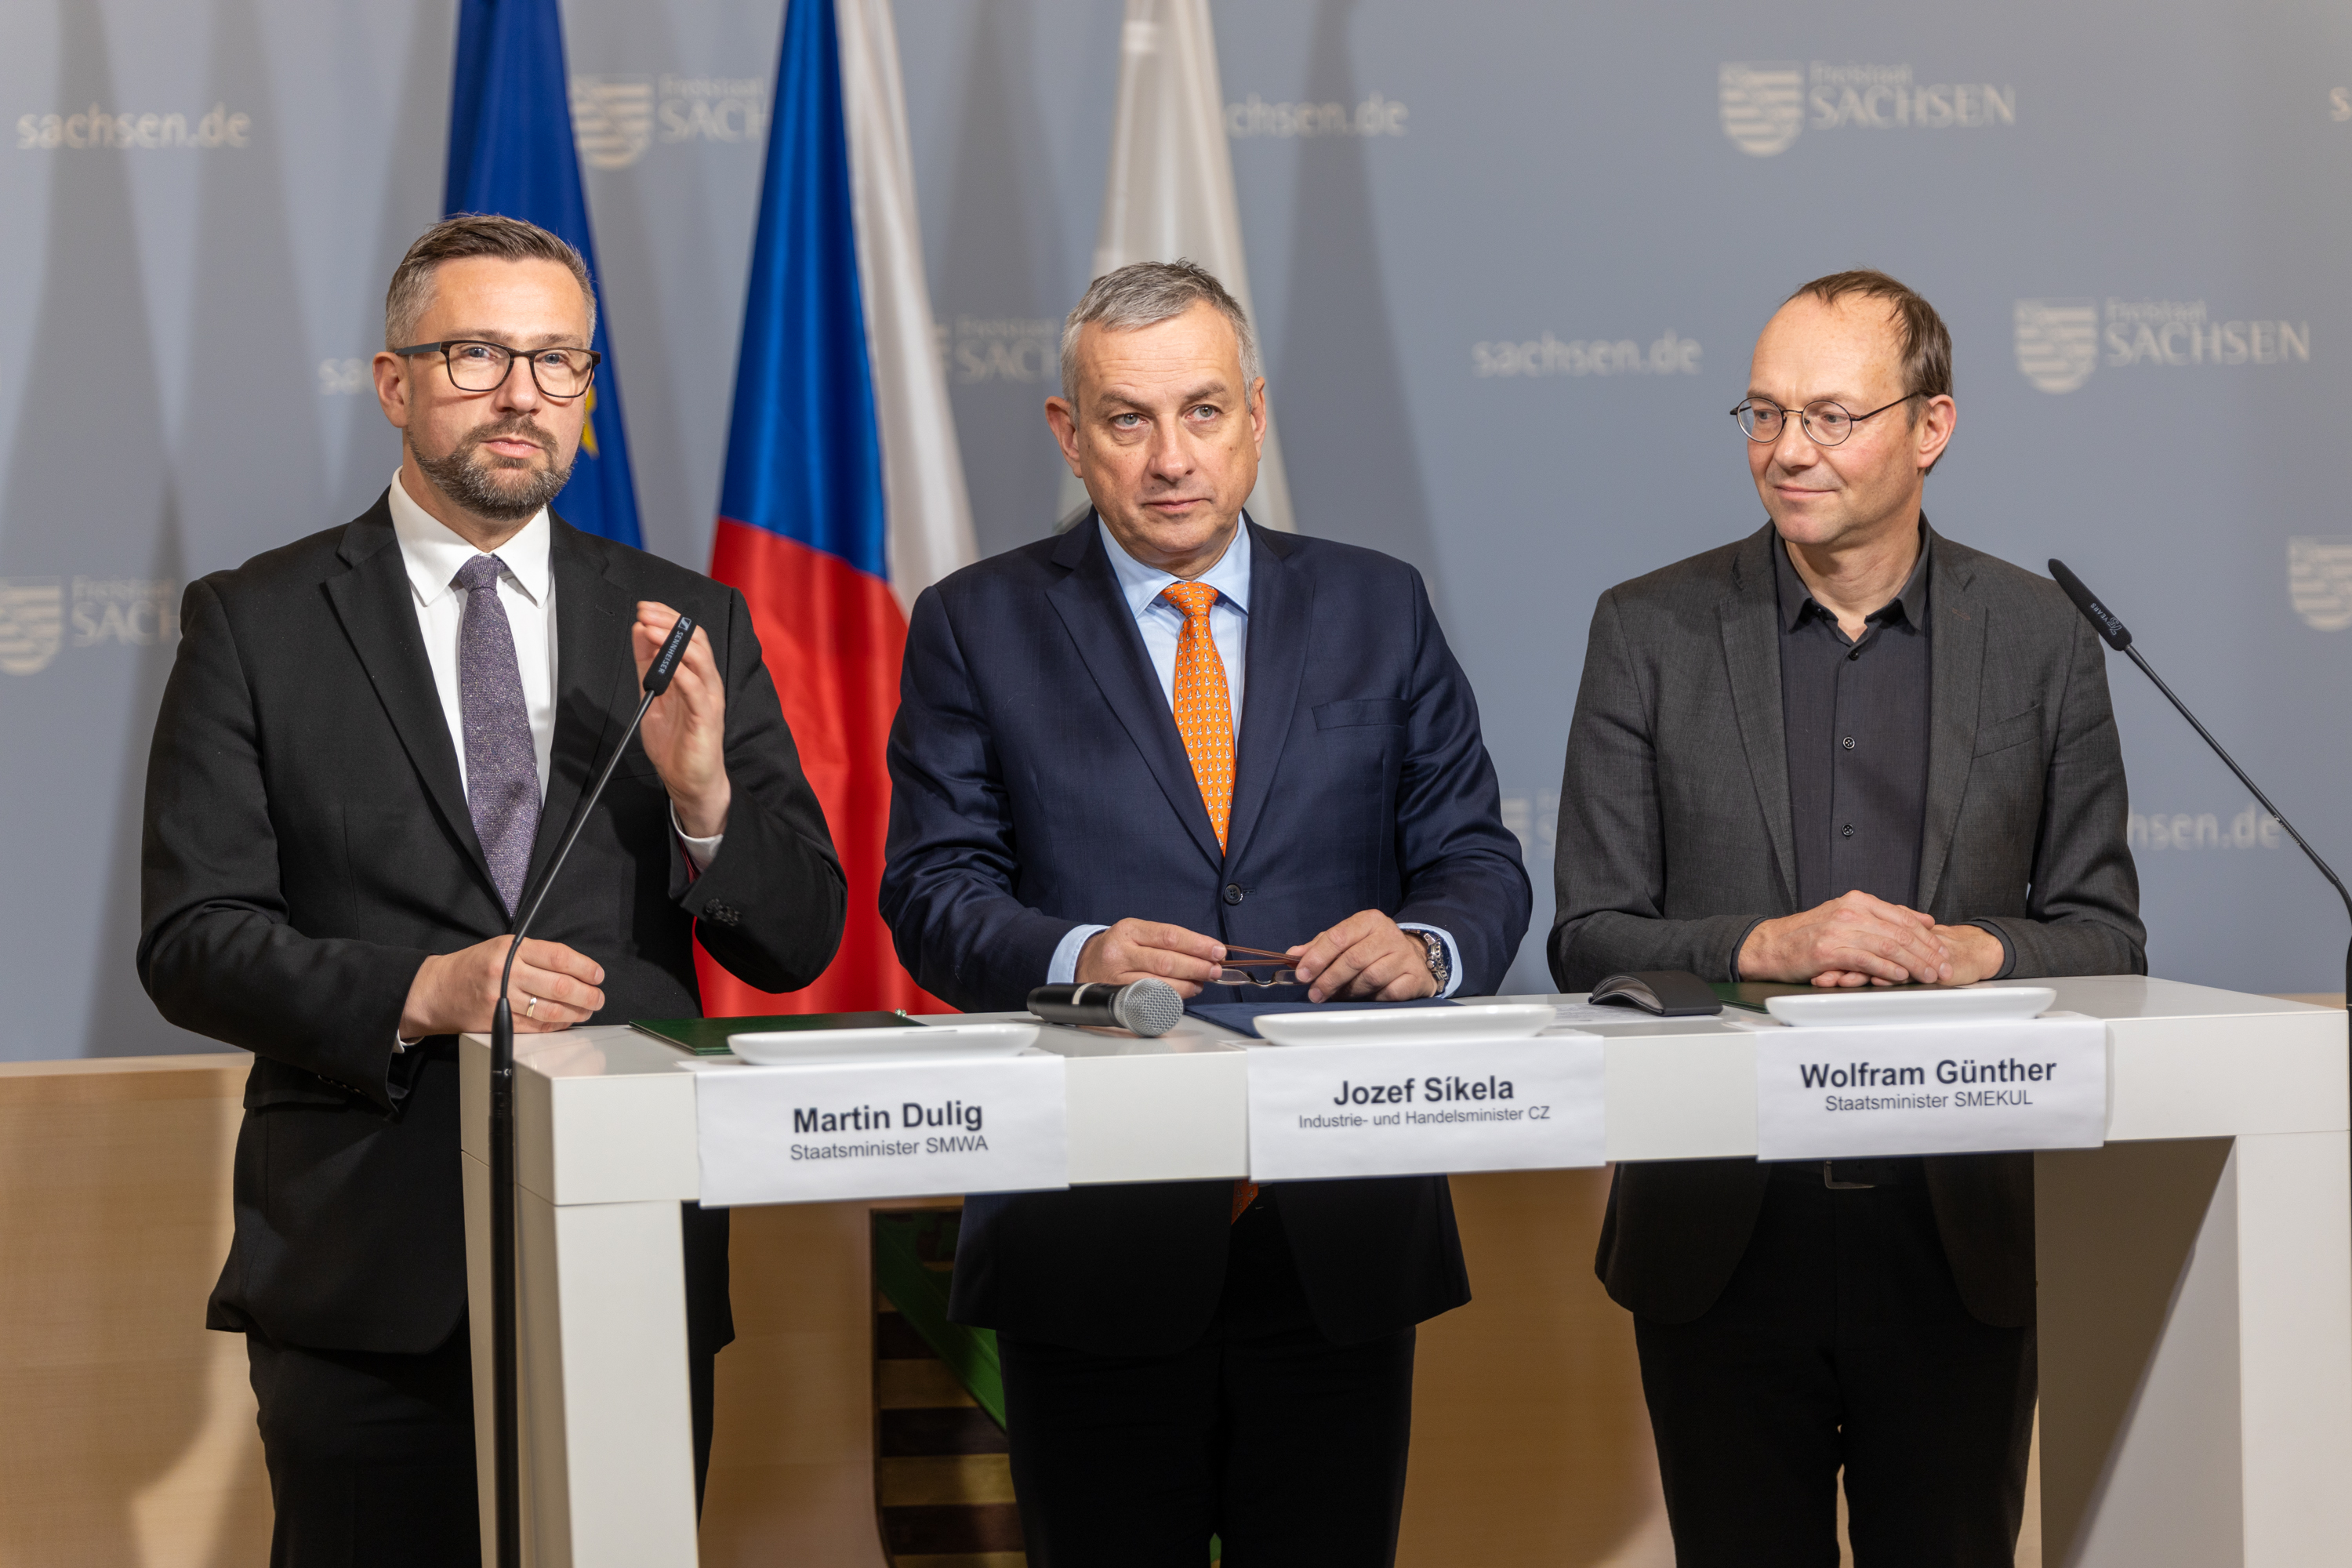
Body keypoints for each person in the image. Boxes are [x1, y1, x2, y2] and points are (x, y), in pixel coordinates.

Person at [137, 213, 845, 1565]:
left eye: (558, 361)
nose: (523, 394)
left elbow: (800, 937)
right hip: (365, 1271)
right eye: (477, 355)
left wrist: (706, 802)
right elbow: (192, 941)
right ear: (394, 382)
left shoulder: (684, 617)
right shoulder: (257, 621)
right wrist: (424, 991)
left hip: (628, 1249)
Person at [880, 260, 1529, 1566]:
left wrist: (1426, 946)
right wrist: (1080, 954)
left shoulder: (1379, 604)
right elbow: (932, 893)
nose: (1171, 457)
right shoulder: (974, 624)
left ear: (1257, 416)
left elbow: (1478, 861)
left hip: (1336, 1228)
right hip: (1090, 1236)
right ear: (1070, 434)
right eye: (1128, 419)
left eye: (1203, 411)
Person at [1549, 270, 2143, 1566]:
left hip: (1956, 1234)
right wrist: (1762, 946)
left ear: (1931, 427)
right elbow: (1589, 934)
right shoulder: (1649, 629)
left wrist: (1981, 952)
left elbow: (2107, 935)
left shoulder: (2042, 639)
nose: (1787, 450)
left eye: (1831, 416)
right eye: (1763, 414)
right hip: (1722, 1232)